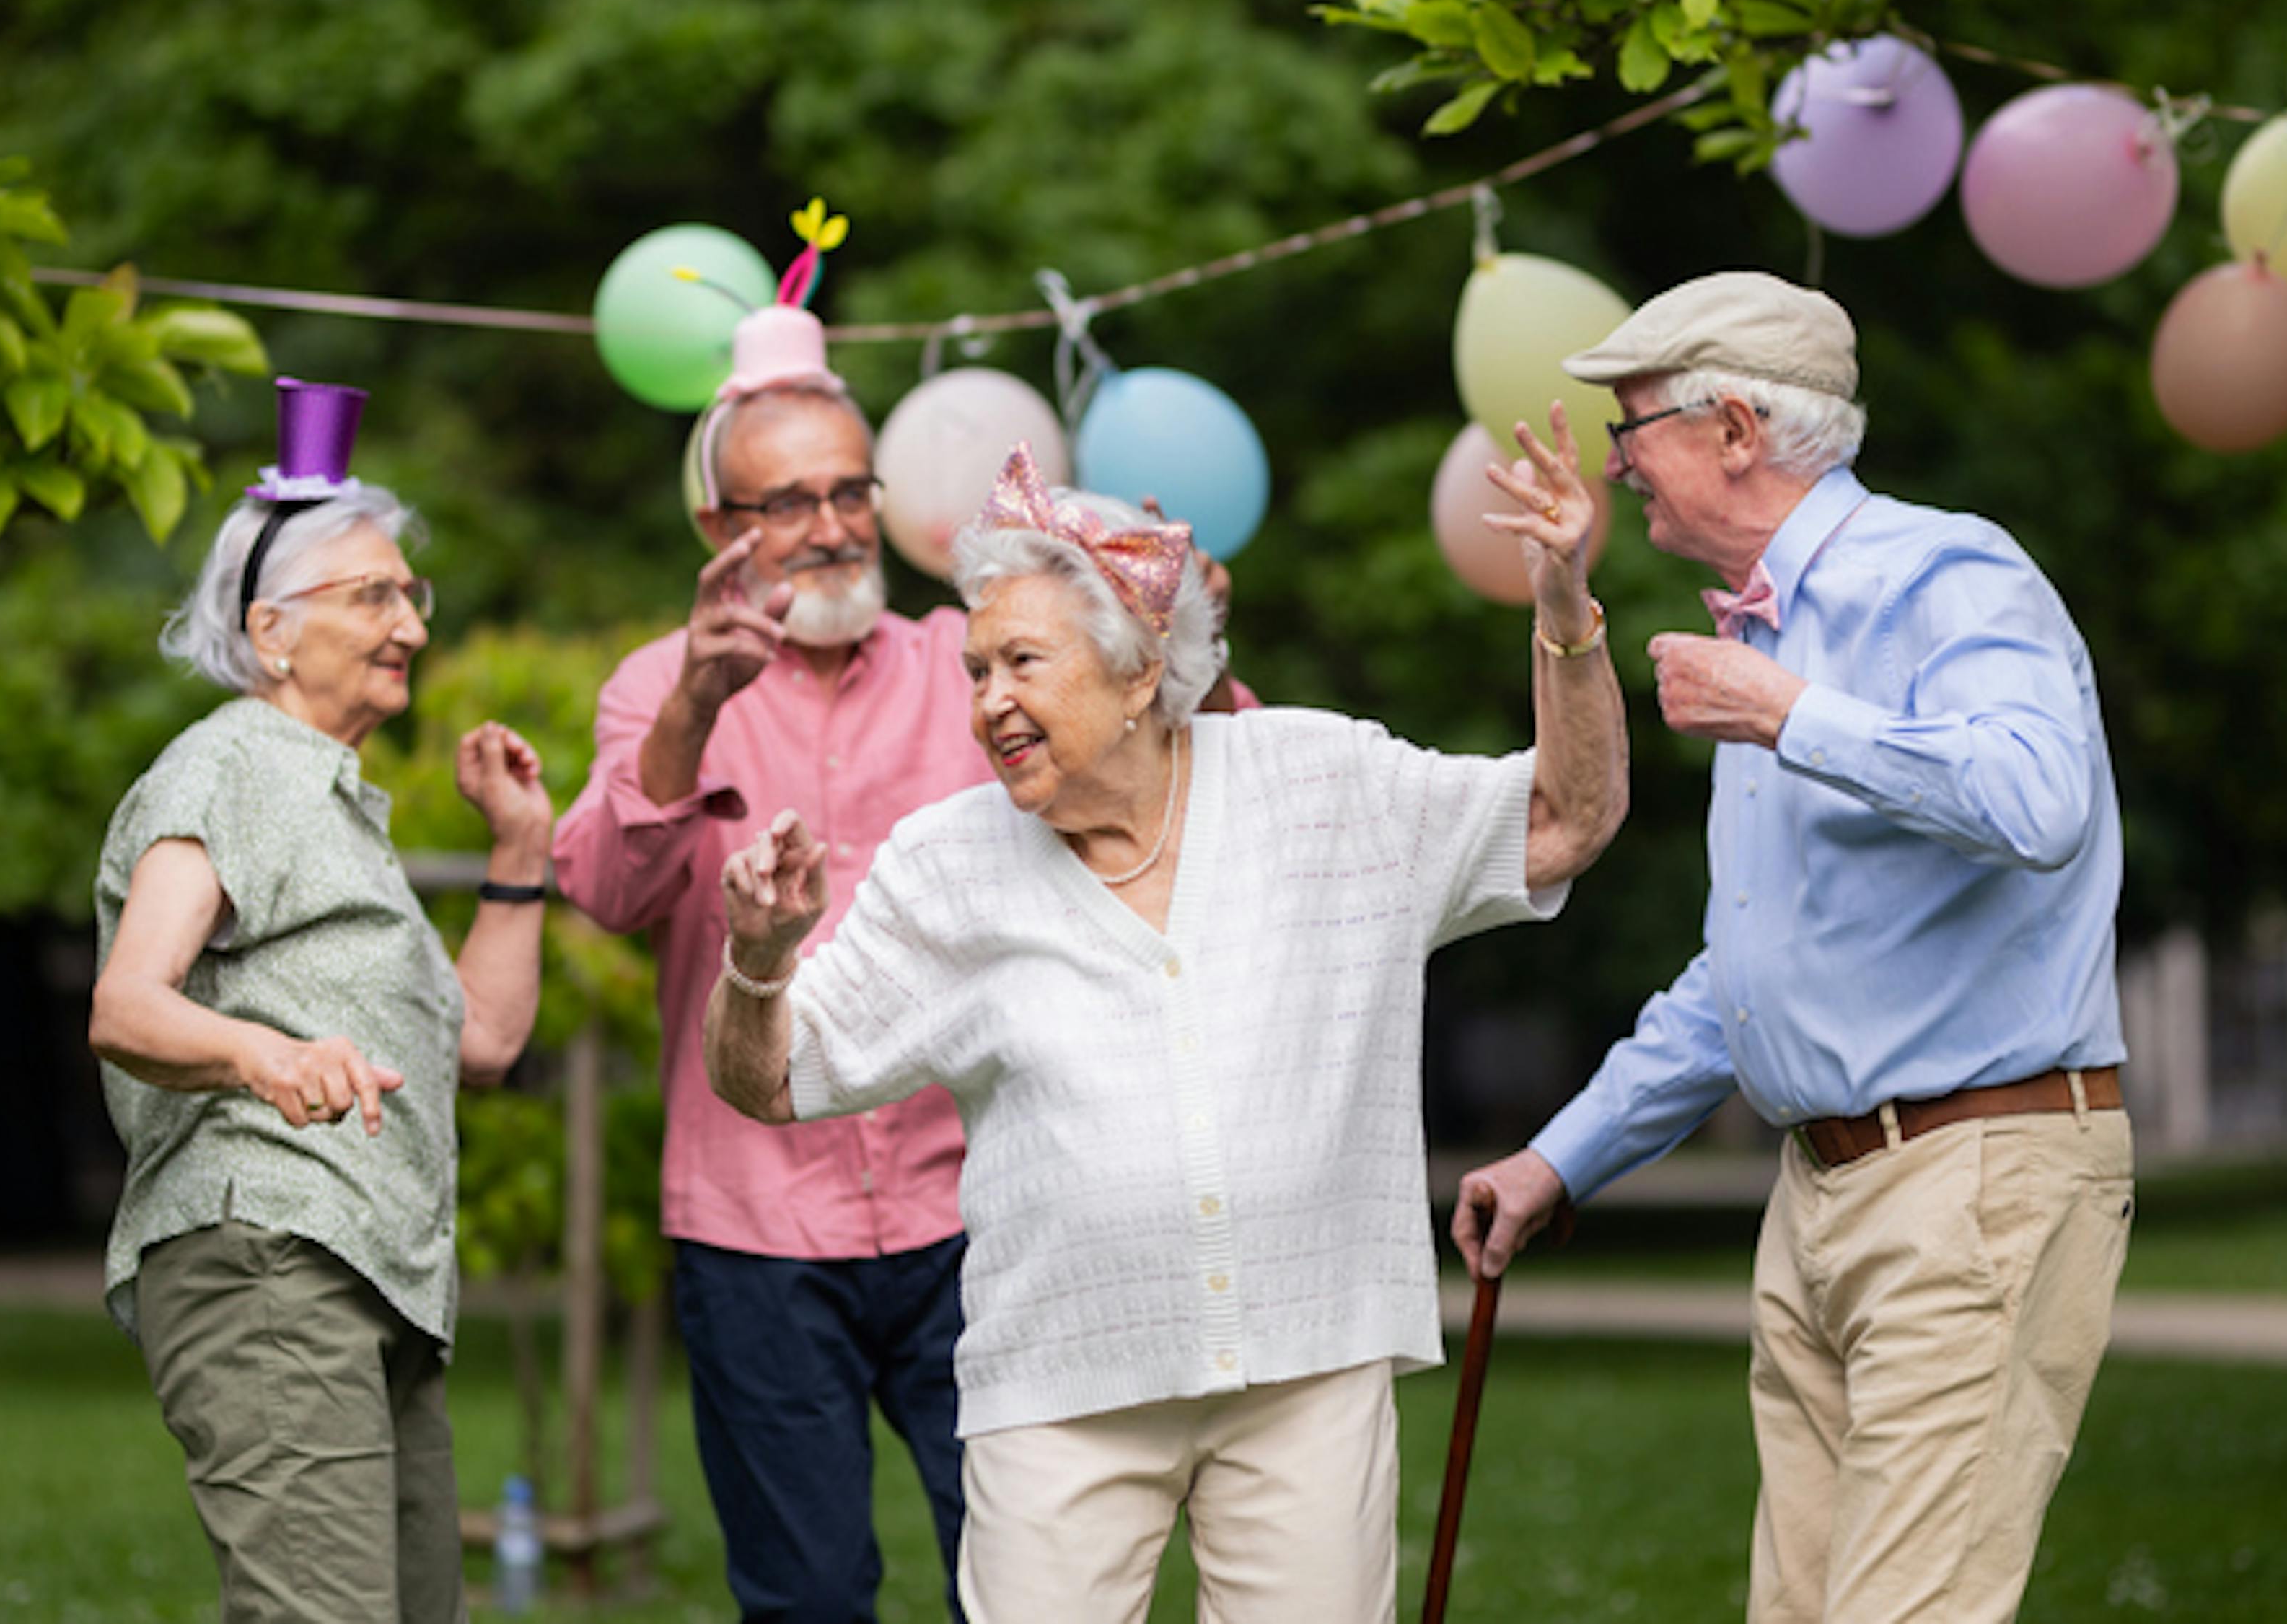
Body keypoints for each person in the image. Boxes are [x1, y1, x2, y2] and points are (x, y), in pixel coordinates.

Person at [703, 425, 1628, 1624]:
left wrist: (1564, 608)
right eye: (976, 671)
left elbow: (1567, 818)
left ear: (1142, 668)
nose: (990, 703)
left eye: (1023, 663)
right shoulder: (947, 866)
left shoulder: (1320, 784)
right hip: (1061, 1385)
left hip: (1309, 1354)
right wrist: (762, 961)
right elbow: (767, 1077)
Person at [553, 233, 1245, 1620]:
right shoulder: (656, 686)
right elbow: (602, 888)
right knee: (805, 1598)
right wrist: (696, 700)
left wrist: (1187, 646)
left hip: (977, 1200)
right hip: (755, 1222)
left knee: (1033, 1579)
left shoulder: (968, 660)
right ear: (718, 530)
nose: (829, 524)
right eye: (788, 500)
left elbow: (1183, 772)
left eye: (848, 491)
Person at [1453, 273, 2133, 1624]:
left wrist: (1788, 714)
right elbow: (1749, 974)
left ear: (1737, 428)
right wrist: (1560, 1155)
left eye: (1633, 420)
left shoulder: (1946, 571)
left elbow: (2040, 800)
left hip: (1972, 1173)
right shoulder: (1761, 635)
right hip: (1819, 1196)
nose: (1613, 459)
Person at [89, 378, 553, 1624]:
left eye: (412, 593)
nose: (408, 619)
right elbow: (128, 1004)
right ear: (272, 630)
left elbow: (490, 1041)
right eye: (373, 594)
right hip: (270, 1259)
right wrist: (264, 1056)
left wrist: (519, 854)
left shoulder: (339, 814)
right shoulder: (238, 760)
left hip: (374, 1279)